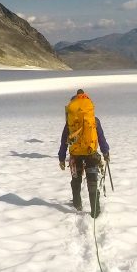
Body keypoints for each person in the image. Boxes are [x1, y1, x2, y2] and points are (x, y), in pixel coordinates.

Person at [58, 89, 110, 217]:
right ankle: (95, 211)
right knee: (92, 181)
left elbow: (64, 139)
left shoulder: (70, 122)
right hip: (91, 153)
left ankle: (77, 205)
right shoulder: (93, 120)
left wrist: (61, 157)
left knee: (76, 180)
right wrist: (105, 152)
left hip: (75, 155)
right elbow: (101, 137)